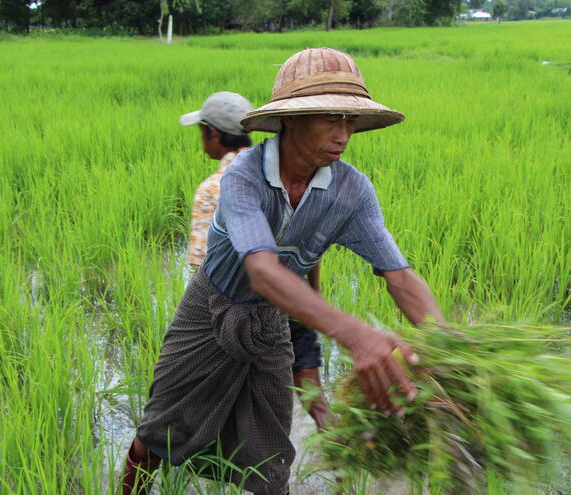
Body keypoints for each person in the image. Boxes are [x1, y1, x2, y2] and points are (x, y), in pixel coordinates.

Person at [121, 47, 446, 495]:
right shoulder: (244, 176)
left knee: (270, 459)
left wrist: (449, 345)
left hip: (270, 322)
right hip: (209, 308)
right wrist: (357, 335)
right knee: (158, 434)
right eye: (330, 117)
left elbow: (400, 277)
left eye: (350, 120)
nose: (343, 134)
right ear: (290, 119)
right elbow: (262, 271)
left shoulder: (352, 191)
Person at [182, 91, 333, 433]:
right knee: (314, 398)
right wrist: (312, 299)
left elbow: (204, 270)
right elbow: (309, 249)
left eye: (202, 131)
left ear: (213, 134)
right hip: (293, 299)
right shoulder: (284, 176)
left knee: (188, 407)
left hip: (240, 314)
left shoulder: (214, 188)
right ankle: (347, 474)